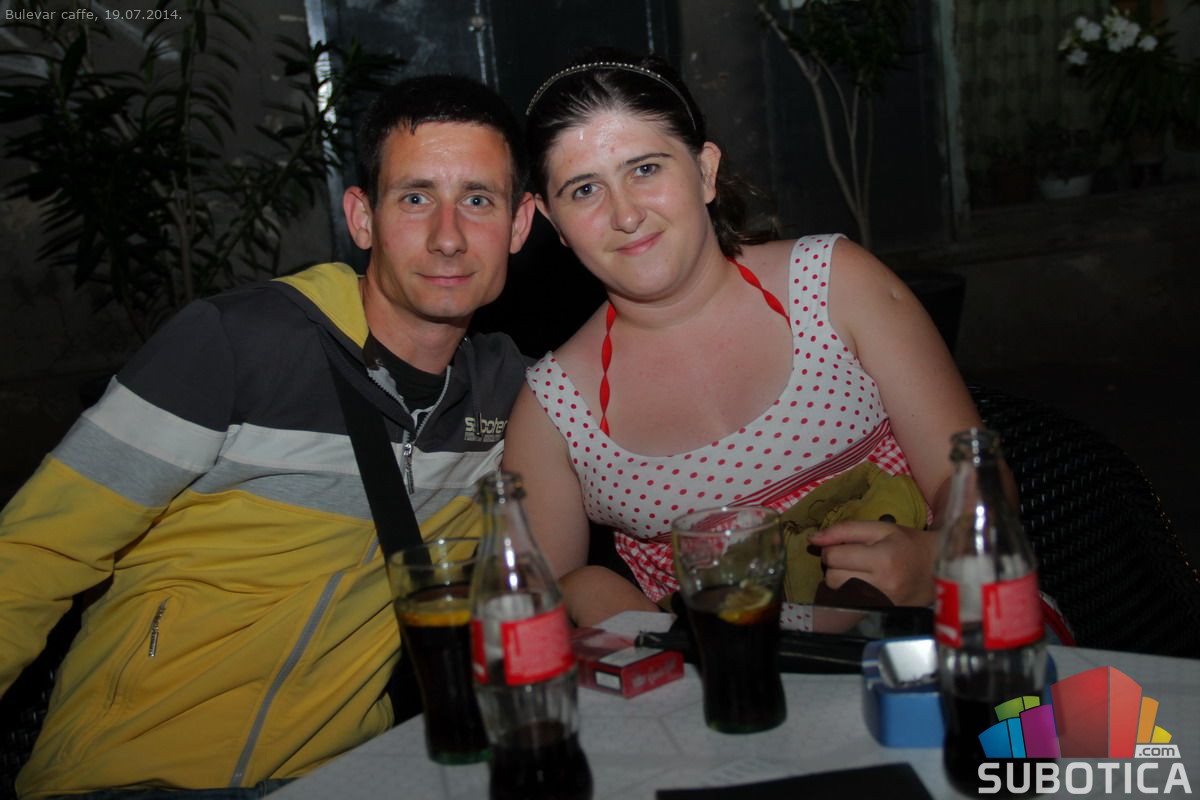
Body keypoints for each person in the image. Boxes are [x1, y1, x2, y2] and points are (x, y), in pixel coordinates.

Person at [0, 75, 534, 798]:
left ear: (519, 224)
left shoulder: (506, 397)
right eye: (415, 198)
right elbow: (32, 557)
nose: (447, 237)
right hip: (129, 776)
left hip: (343, 776)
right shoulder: (233, 346)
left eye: (478, 200)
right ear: (363, 218)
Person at [503, 50, 983, 627]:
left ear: (705, 171)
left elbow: (969, 479)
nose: (625, 214)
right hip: (722, 674)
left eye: (646, 169)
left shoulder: (833, 284)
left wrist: (938, 556)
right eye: (584, 190)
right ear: (552, 220)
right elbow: (538, 620)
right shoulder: (554, 410)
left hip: (938, 632)